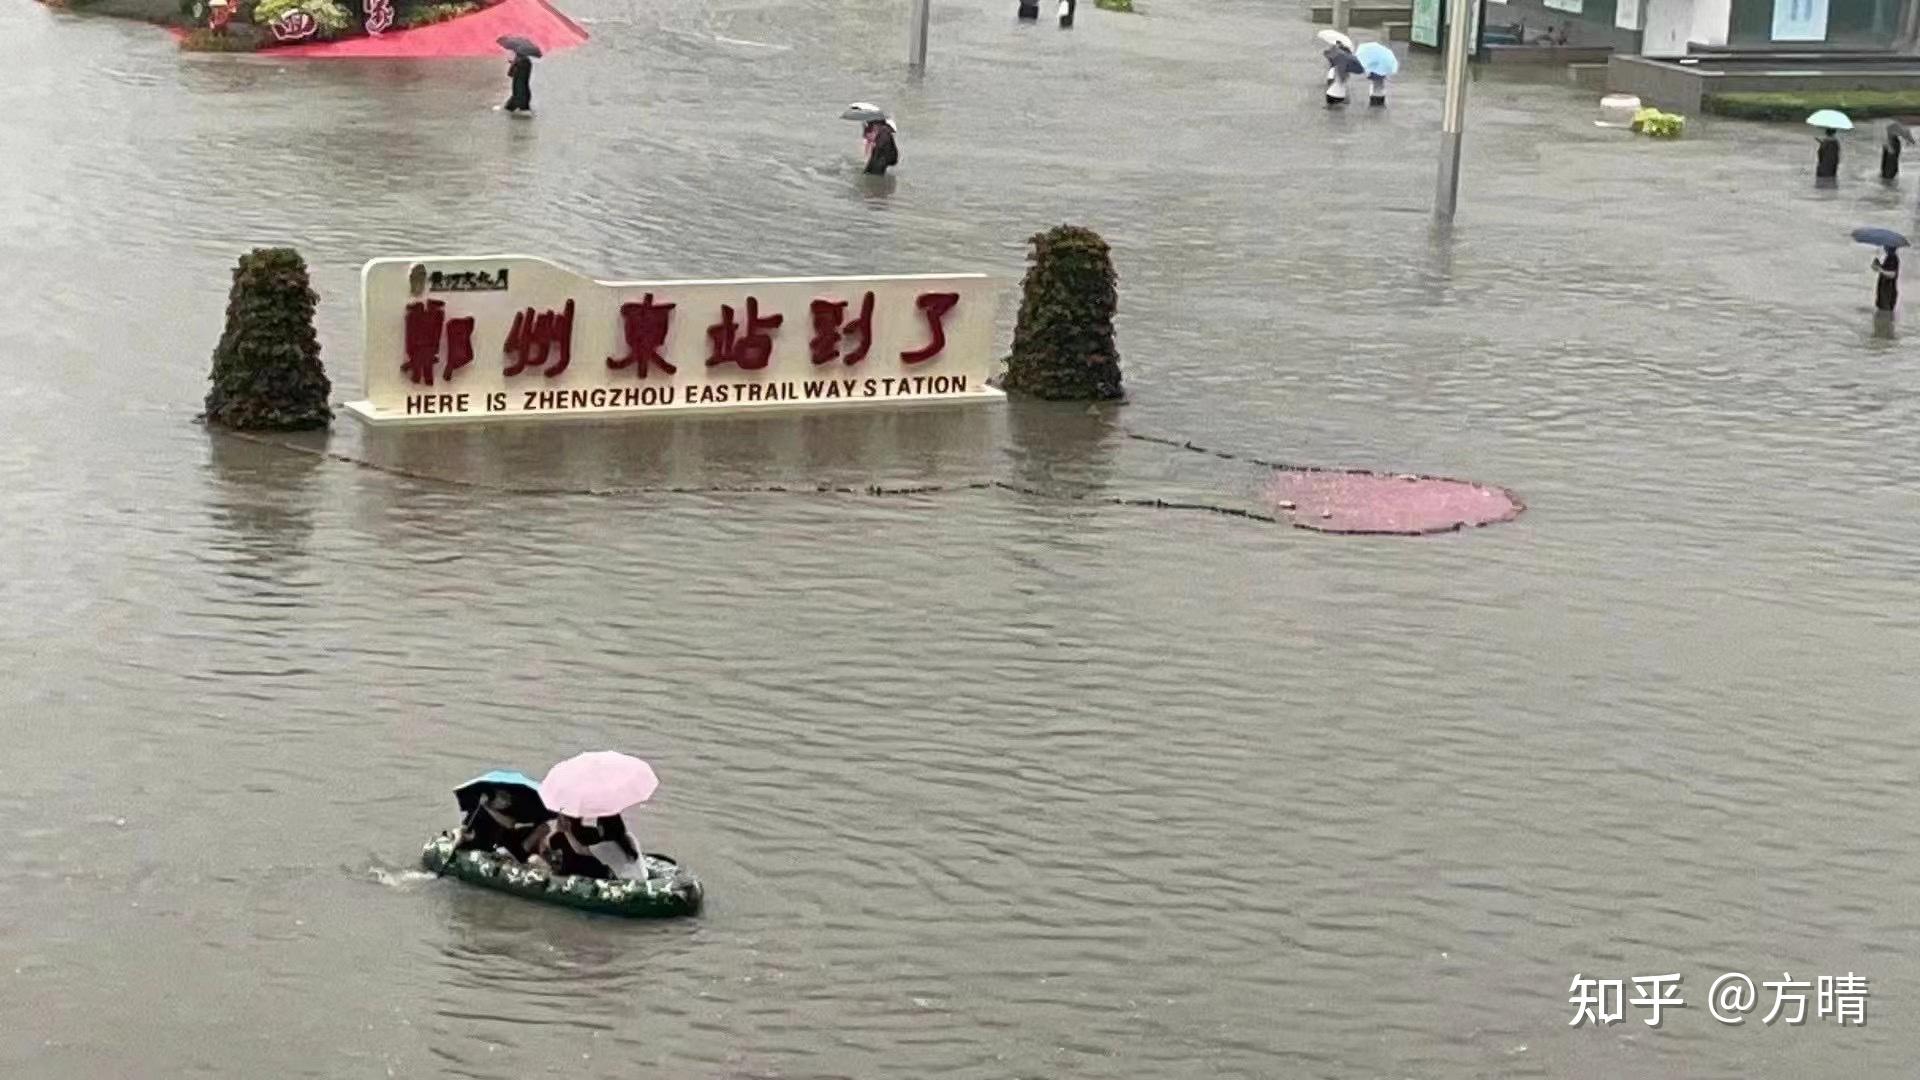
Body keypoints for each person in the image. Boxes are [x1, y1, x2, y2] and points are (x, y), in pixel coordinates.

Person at [457, 790, 539, 860]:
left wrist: (487, 807)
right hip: (474, 842)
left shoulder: (508, 813)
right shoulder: (478, 809)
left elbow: (510, 824)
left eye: (510, 799)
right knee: (458, 834)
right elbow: (465, 825)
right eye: (504, 797)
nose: (508, 802)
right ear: (495, 798)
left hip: (494, 848)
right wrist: (463, 833)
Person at [1873, 246, 1900, 312]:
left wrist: (1880, 270)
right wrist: (1878, 264)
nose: (1884, 247)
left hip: (1888, 293)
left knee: (1885, 313)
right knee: (1881, 313)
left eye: (1886, 246)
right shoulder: (1888, 257)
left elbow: (1892, 274)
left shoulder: (1893, 258)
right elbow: (1885, 269)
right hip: (1883, 291)